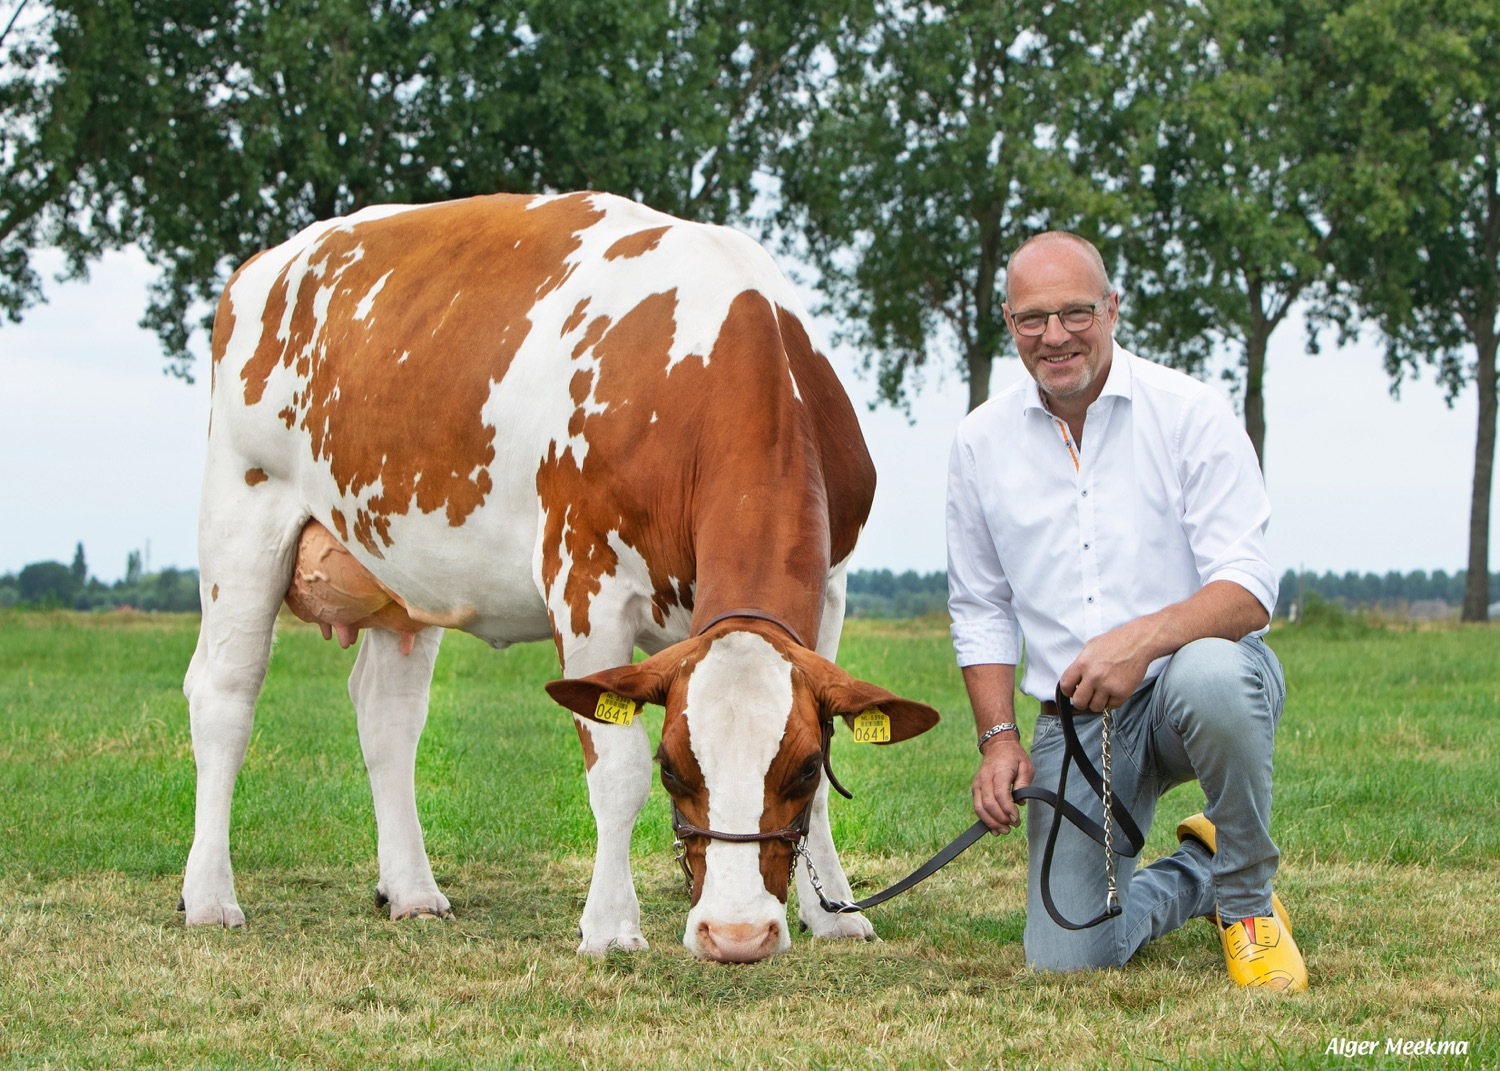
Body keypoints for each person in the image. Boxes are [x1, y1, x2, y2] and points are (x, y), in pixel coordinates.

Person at [945, 231, 1306, 992]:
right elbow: (980, 604)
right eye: (1032, 319)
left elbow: (1247, 589)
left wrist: (1140, 642)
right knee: (1069, 958)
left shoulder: (1189, 413)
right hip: (1076, 723)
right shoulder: (979, 442)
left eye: (1076, 312)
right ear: (1008, 321)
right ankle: (1201, 871)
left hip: (1192, 691)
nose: (1056, 337)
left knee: (1211, 671)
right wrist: (998, 738)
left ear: (1112, 308)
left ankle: (1246, 902)